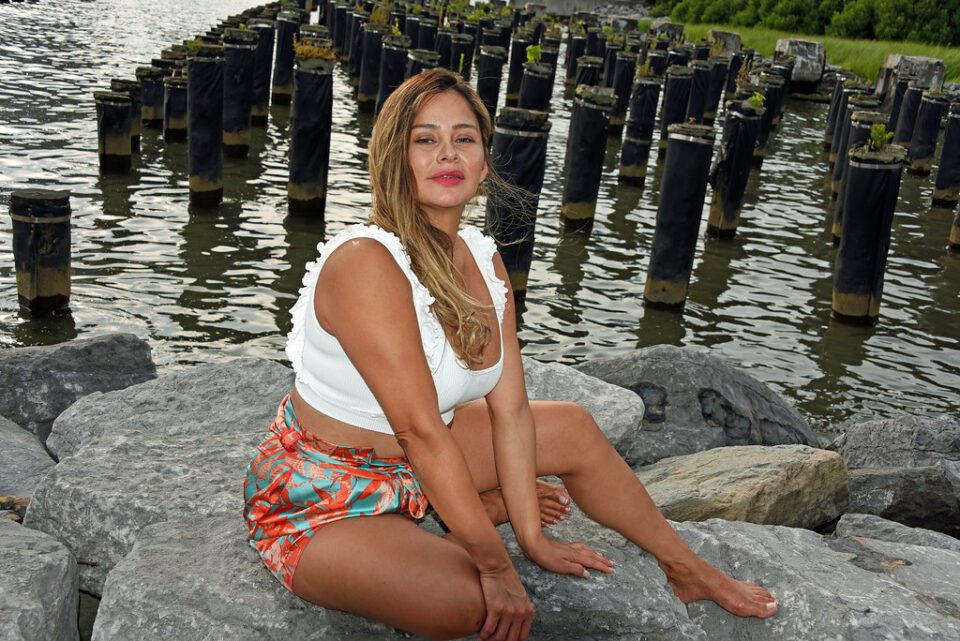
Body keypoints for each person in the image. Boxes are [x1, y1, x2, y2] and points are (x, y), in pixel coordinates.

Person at [244, 68, 778, 641]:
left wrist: (531, 539)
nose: (446, 153)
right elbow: (421, 433)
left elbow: (511, 411)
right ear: (393, 157)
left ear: (483, 160)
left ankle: (686, 568)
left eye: (464, 138)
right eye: (425, 139)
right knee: (464, 602)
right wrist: (497, 566)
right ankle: (452, 520)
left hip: (420, 464)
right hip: (322, 495)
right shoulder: (366, 263)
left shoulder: (480, 256)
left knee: (571, 426)